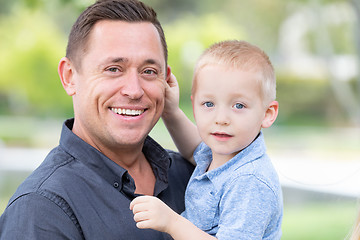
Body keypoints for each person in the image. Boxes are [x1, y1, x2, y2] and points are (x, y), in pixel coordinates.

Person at [0, 0, 194, 239]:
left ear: (166, 80)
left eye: (148, 72)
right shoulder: (40, 209)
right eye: (113, 69)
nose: (134, 90)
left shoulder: (195, 176)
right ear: (70, 76)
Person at [130, 40, 283, 239]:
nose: (221, 119)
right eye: (209, 103)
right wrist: (171, 112)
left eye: (238, 106)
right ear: (194, 105)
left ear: (267, 113)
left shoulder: (250, 181)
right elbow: (194, 148)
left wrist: (171, 222)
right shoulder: (219, 155)